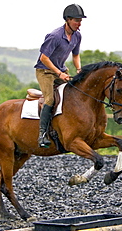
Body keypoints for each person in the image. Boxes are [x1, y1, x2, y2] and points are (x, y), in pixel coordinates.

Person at [34, 4, 86, 148]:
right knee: (50, 99)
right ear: (68, 20)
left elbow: (76, 55)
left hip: (61, 70)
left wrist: (79, 69)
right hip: (45, 71)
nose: (79, 23)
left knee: (74, 95)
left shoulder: (77, 35)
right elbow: (44, 58)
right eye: (77, 20)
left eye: (81, 20)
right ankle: (42, 134)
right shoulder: (55, 36)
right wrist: (59, 73)